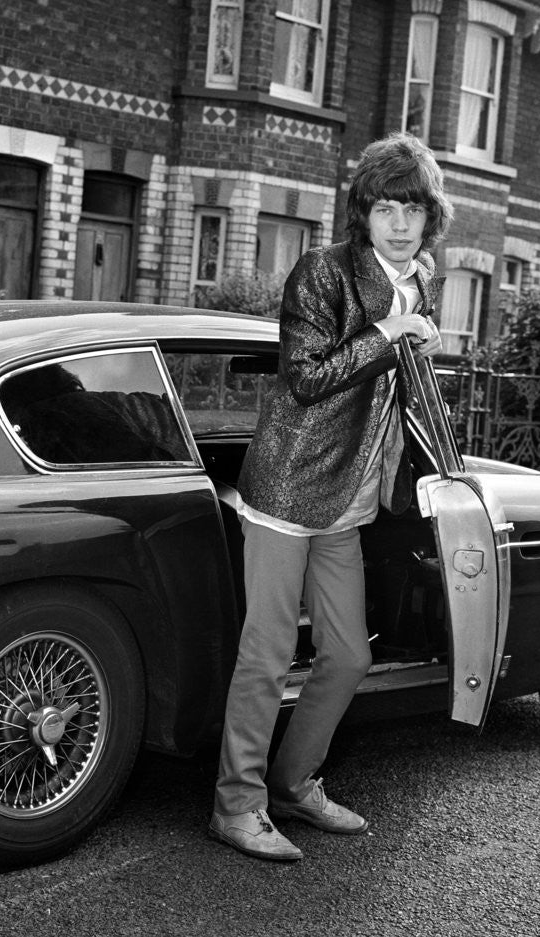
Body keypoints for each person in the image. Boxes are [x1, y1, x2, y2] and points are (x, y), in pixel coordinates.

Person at [209, 132, 453, 861]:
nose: (400, 223)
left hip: (350, 496)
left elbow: (400, 382)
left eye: (413, 208)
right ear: (364, 212)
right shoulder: (322, 272)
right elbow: (307, 377)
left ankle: (291, 784)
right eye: (386, 207)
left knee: (347, 654)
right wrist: (390, 331)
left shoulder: (423, 274)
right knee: (268, 650)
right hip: (288, 490)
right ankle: (236, 804)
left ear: (430, 216)